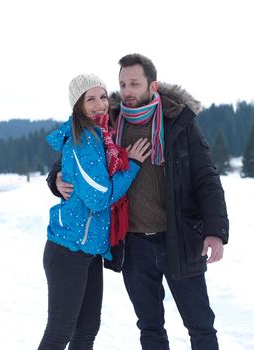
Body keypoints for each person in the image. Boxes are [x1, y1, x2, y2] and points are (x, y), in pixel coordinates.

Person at [47, 55, 229, 350]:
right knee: (150, 327)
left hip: (179, 239)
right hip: (134, 245)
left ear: (152, 85)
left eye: (134, 83)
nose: (127, 90)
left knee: (201, 325)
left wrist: (215, 231)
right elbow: (72, 160)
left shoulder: (178, 123)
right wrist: (55, 179)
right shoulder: (110, 123)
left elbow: (207, 179)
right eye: (122, 84)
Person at [38, 73, 151, 350]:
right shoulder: (84, 140)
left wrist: (56, 176)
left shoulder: (102, 135)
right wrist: (133, 165)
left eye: (103, 96)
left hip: (89, 250)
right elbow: (99, 198)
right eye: (91, 99)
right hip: (69, 250)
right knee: (59, 332)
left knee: (87, 330)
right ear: (78, 105)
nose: (101, 104)